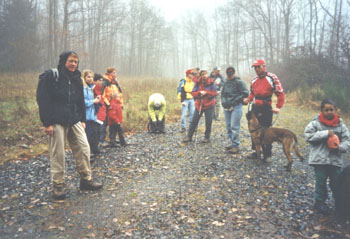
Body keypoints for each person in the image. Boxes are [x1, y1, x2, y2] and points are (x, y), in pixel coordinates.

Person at [36, 51, 103, 200]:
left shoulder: (77, 79)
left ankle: (86, 180)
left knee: (84, 148)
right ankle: (58, 186)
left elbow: (80, 101)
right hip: (56, 120)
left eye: (75, 61)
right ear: (63, 61)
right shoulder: (52, 76)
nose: (73, 64)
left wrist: (83, 120)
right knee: (58, 154)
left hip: (74, 119)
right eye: (70, 61)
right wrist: (47, 123)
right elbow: (42, 99)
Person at [304, 99, 350, 214]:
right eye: (326, 110)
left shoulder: (341, 126)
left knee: (337, 182)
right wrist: (325, 133)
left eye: (331, 110)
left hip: (335, 161)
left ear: (336, 110)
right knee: (321, 182)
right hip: (320, 160)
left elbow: (347, 141)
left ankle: (340, 203)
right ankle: (319, 202)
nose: (329, 112)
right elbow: (308, 136)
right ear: (321, 111)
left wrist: (339, 148)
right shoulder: (315, 123)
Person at [243, 59, 285, 159]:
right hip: (255, 107)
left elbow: (280, 93)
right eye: (255, 67)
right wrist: (248, 99)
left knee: (266, 130)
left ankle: (267, 153)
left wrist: (278, 107)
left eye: (258, 66)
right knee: (253, 129)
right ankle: (256, 151)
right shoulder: (254, 80)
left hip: (266, 108)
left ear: (264, 66)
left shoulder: (272, 77)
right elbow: (252, 93)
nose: (257, 69)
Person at [183, 69, 217, 143]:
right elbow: (193, 92)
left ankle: (206, 138)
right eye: (202, 74)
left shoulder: (211, 82)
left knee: (208, 122)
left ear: (207, 75)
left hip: (209, 105)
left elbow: (214, 93)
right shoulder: (198, 83)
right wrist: (199, 93)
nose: (204, 76)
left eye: (205, 74)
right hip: (199, 105)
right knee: (194, 121)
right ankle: (189, 136)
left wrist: (206, 93)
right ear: (200, 76)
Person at [221, 67, 249, 154]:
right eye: (228, 74)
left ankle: (236, 145)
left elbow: (245, 93)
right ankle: (233, 143)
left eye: (231, 74)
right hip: (226, 107)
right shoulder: (226, 82)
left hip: (236, 106)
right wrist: (223, 102)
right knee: (228, 127)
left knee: (234, 126)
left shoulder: (240, 82)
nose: (230, 76)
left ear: (234, 73)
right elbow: (223, 94)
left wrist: (235, 100)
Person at [102, 67, 124, 146]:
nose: (115, 74)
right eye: (113, 73)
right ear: (109, 73)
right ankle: (102, 140)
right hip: (108, 105)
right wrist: (108, 104)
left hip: (116, 105)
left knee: (114, 124)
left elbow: (120, 94)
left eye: (115, 73)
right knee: (105, 123)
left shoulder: (115, 82)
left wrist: (121, 104)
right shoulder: (105, 82)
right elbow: (103, 95)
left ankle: (112, 139)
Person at [82, 70, 101, 156]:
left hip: (92, 115)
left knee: (94, 134)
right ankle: (87, 154)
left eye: (92, 77)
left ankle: (93, 151)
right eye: (88, 77)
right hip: (85, 116)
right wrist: (93, 101)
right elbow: (83, 102)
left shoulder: (91, 88)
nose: (90, 79)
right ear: (84, 77)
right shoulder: (83, 88)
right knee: (87, 135)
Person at [93, 73, 107, 141]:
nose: (101, 82)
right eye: (99, 80)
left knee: (100, 130)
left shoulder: (101, 90)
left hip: (101, 113)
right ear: (94, 81)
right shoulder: (92, 90)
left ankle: (99, 143)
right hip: (96, 114)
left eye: (102, 80)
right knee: (95, 132)